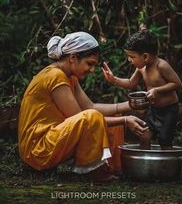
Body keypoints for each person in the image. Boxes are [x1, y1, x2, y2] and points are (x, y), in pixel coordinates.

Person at [18, 31, 148, 181]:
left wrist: (130, 106)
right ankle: (91, 171)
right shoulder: (55, 76)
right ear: (73, 57)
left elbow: (91, 106)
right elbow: (83, 118)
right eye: (89, 63)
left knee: (113, 117)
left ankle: (110, 168)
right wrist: (126, 120)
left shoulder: (69, 77)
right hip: (37, 150)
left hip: (53, 139)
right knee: (95, 118)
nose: (92, 70)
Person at [102, 29, 182, 150]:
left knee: (165, 139)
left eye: (132, 57)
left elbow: (176, 83)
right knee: (144, 135)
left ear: (145, 56)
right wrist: (114, 80)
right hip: (153, 109)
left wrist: (157, 90)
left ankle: (166, 166)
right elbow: (131, 83)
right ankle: (144, 163)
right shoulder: (141, 68)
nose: (129, 60)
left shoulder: (161, 65)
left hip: (169, 110)